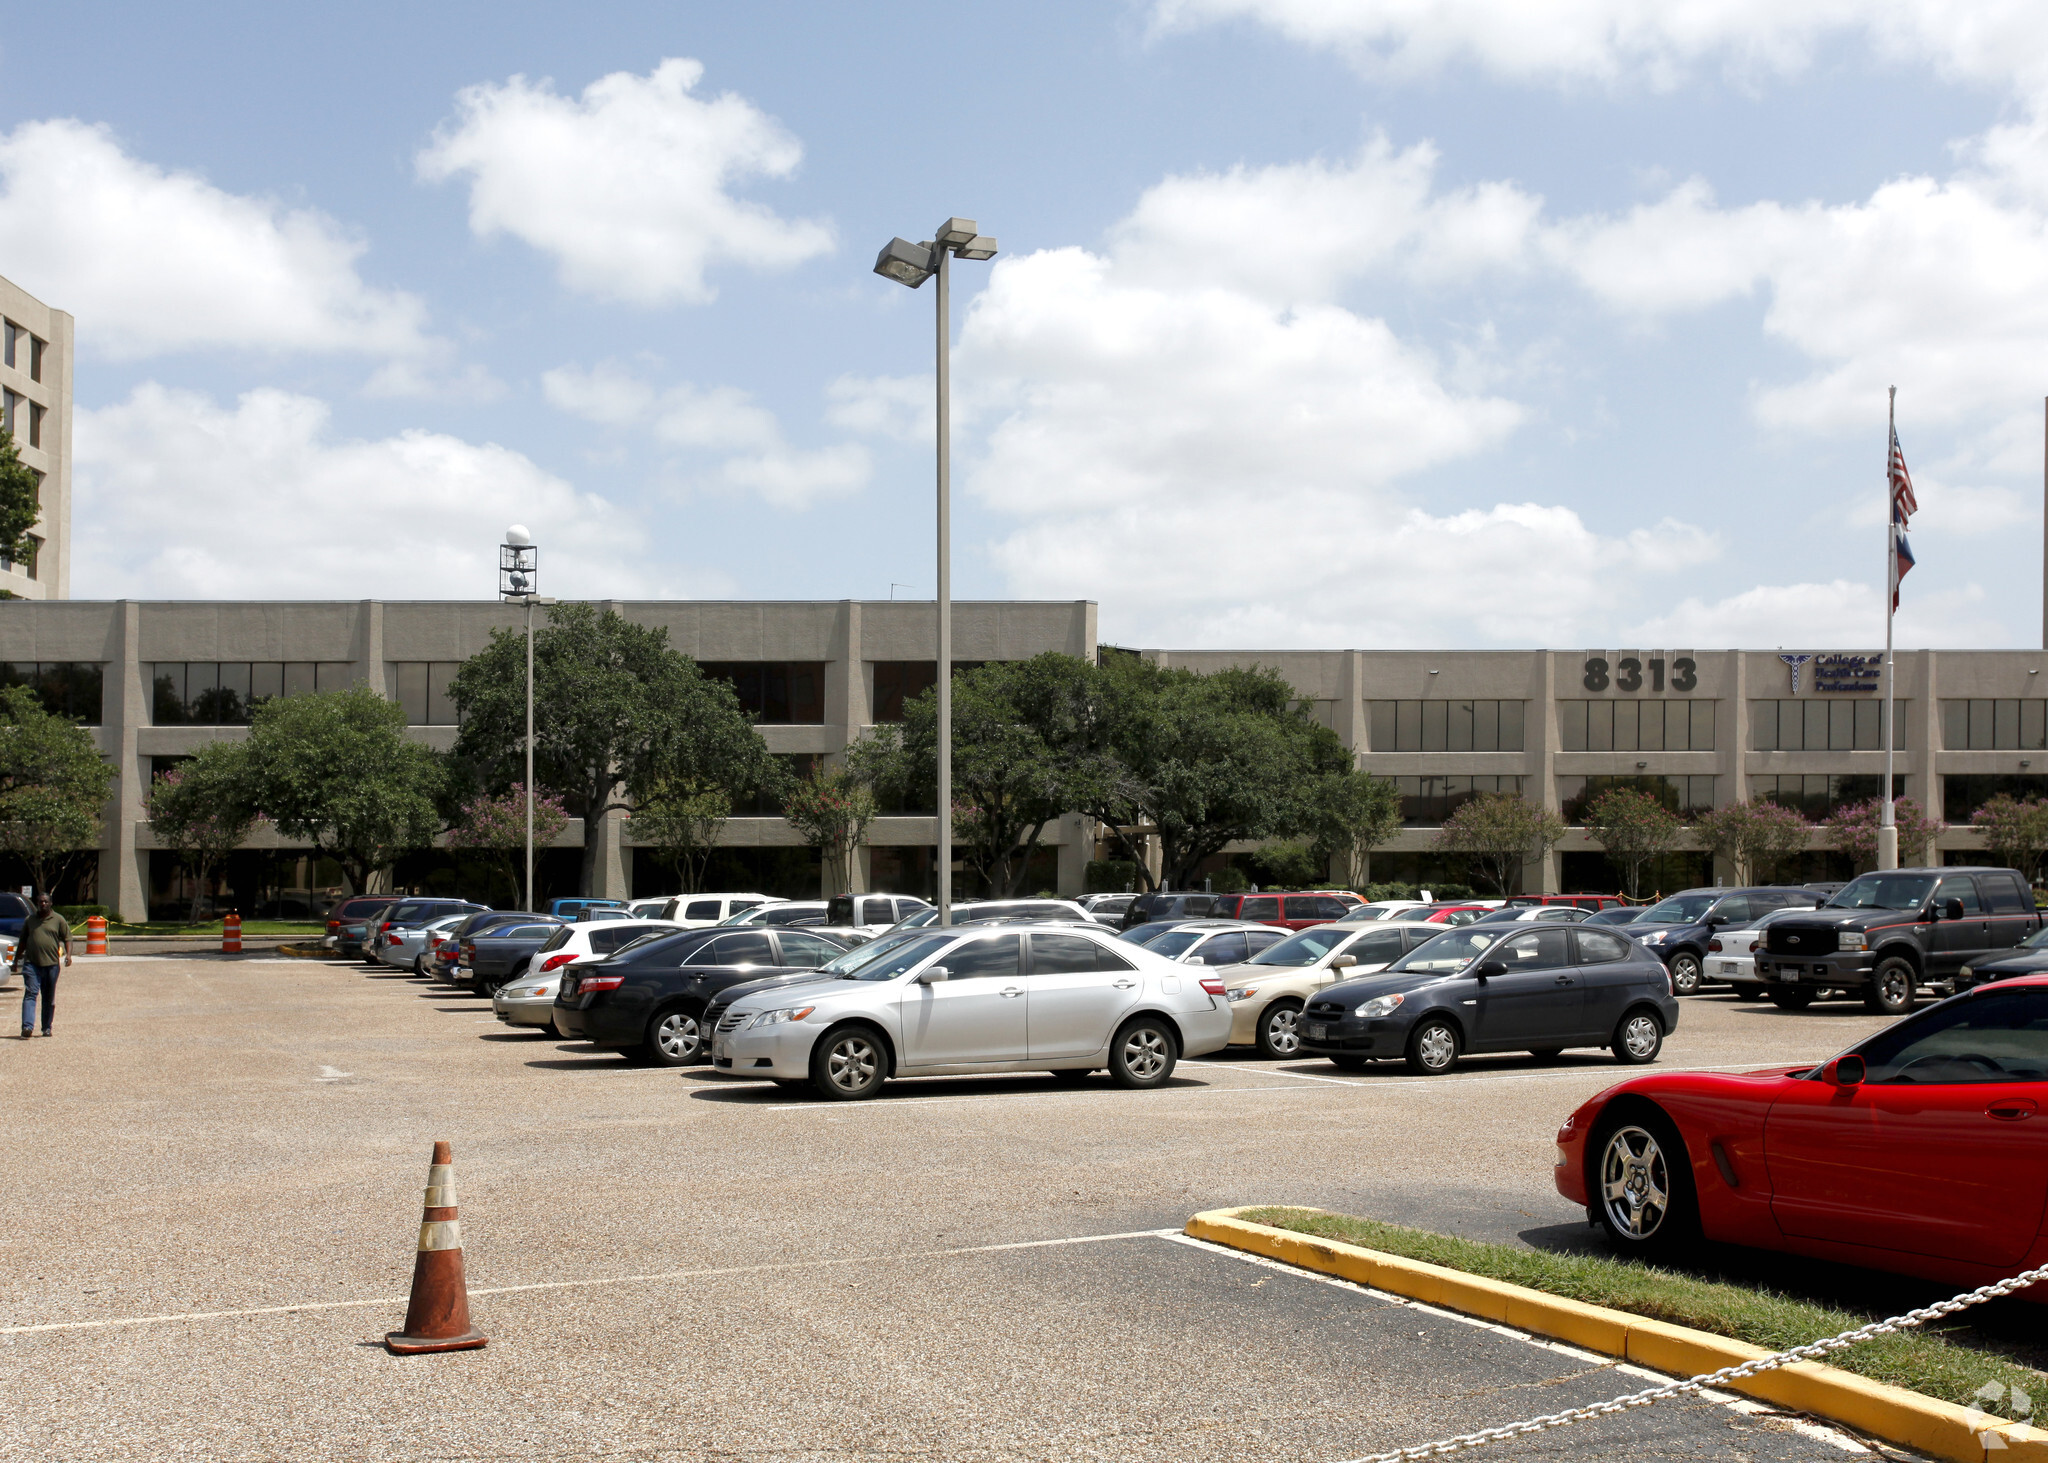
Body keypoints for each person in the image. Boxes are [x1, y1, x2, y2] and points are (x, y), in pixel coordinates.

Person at [15, 893, 72, 1038]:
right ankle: (27, 1027)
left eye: (46, 902)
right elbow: (22, 941)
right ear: (37, 903)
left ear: (51, 903)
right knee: (30, 993)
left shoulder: (58, 920)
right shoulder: (30, 920)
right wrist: (16, 960)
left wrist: (69, 955)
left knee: (48, 997)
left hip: (51, 965)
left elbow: (67, 938)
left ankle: (46, 1027)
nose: (43, 904)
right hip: (31, 964)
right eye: (40, 902)